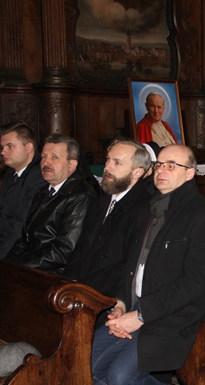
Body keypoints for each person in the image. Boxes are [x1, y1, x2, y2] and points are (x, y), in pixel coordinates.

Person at [91, 144, 205, 385]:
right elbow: (129, 264)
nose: (162, 170)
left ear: (190, 173)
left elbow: (194, 283)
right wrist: (120, 303)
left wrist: (141, 314)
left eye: (172, 166)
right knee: (85, 369)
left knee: (120, 380)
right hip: (134, 306)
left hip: (173, 315)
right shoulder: (148, 209)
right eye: (159, 165)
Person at [63, 137, 152, 326]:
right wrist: (67, 284)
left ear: (137, 172)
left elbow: (127, 266)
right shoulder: (101, 201)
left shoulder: (145, 209)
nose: (107, 167)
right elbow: (80, 250)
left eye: (117, 163)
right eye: (108, 160)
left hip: (106, 301)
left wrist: (85, 294)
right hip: (79, 291)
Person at [5, 134, 96, 274]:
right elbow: (25, 239)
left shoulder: (81, 196)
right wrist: (6, 264)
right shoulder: (43, 191)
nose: (46, 163)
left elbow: (62, 252)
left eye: (54, 157)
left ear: (72, 165)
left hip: (57, 274)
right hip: (33, 267)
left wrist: (20, 268)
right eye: (43, 157)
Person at [0, 123, 46, 258]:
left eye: (10, 146)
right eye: (2, 147)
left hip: (23, 253)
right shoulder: (10, 174)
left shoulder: (40, 176)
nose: (2, 152)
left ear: (29, 148)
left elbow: (19, 224)